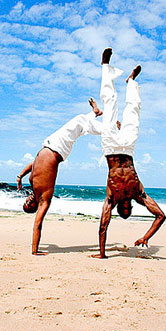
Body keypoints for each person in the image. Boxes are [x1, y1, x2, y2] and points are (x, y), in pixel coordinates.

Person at [92, 48, 166, 259]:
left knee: (111, 103)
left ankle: (105, 66)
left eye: (122, 212)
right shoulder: (138, 194)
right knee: (134, 112)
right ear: (131, 208)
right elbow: (161, 216)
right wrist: (146, 237)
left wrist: (103, 254)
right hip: (128, 148)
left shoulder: (111, 198)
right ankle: (131, 82)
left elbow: (103, 225)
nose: (125, 209)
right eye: (128, 211)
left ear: (119, 209)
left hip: (110, 147)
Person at [17, 95, 104, 255]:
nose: (28, 201)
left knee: (78, 125)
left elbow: (34, 164)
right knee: (78, 123)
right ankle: (109, 128)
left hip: (50, 145)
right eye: (29, 206)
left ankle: (95, 114)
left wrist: (20, 176)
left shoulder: (32, 184)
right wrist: (35, 250)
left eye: (25, 202)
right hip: (58, 150)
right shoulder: (44, 199)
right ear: (34, 206)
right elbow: (37, 224)